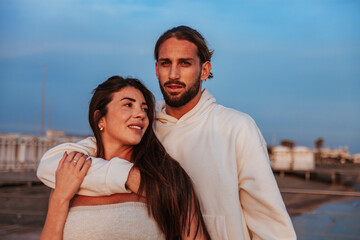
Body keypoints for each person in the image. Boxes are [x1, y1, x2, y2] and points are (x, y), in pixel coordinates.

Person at [37, 26, 296, 239]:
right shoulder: (141, 125)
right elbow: (51, 165)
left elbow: (269, 223)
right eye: (165, 63)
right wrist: (131, 177)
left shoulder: (236, 127)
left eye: (184, 63)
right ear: (156, 68)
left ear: (204, 70)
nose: (173, 74)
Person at [38, 76, 210, 240]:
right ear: (100, 118)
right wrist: (59, 198)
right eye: (128, 104)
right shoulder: (71, 175)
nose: (141, 114)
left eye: (144, 109)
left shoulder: (166, 177)